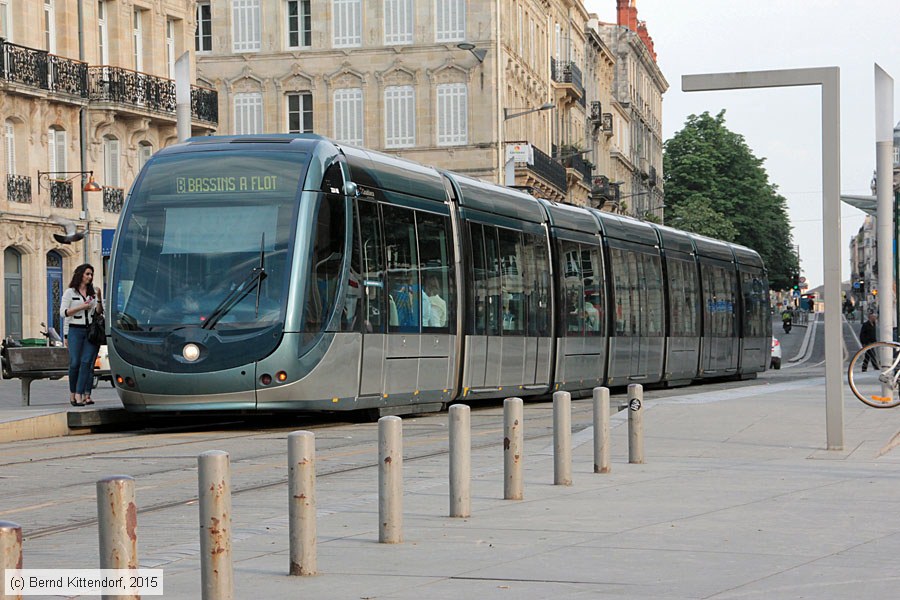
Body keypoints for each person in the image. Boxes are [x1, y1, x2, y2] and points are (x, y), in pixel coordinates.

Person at [60, 263, 103, 406]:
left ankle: (80, 395)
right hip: (75, 330)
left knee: (86, 363)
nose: (90, 277)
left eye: (91, 274)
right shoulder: (70, 293)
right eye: (87, 274)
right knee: (75, 363)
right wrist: (81, 307)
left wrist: (99, 298)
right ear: (80, 275)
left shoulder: (92, 293)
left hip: (90, 331)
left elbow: (98, 312)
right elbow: (63, 313)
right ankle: (72, 393)